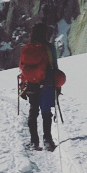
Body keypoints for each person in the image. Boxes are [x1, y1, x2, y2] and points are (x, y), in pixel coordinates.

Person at [19, 22, 59, 151]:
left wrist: (24, 84)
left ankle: (34, 142)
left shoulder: (27, 47)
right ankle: (47, 140)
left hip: (31, 84)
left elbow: (22, 67)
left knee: (33, 111)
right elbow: (55, 67)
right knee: (46, 113)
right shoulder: (49, 47)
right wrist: (57, 86)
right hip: (47, 83)